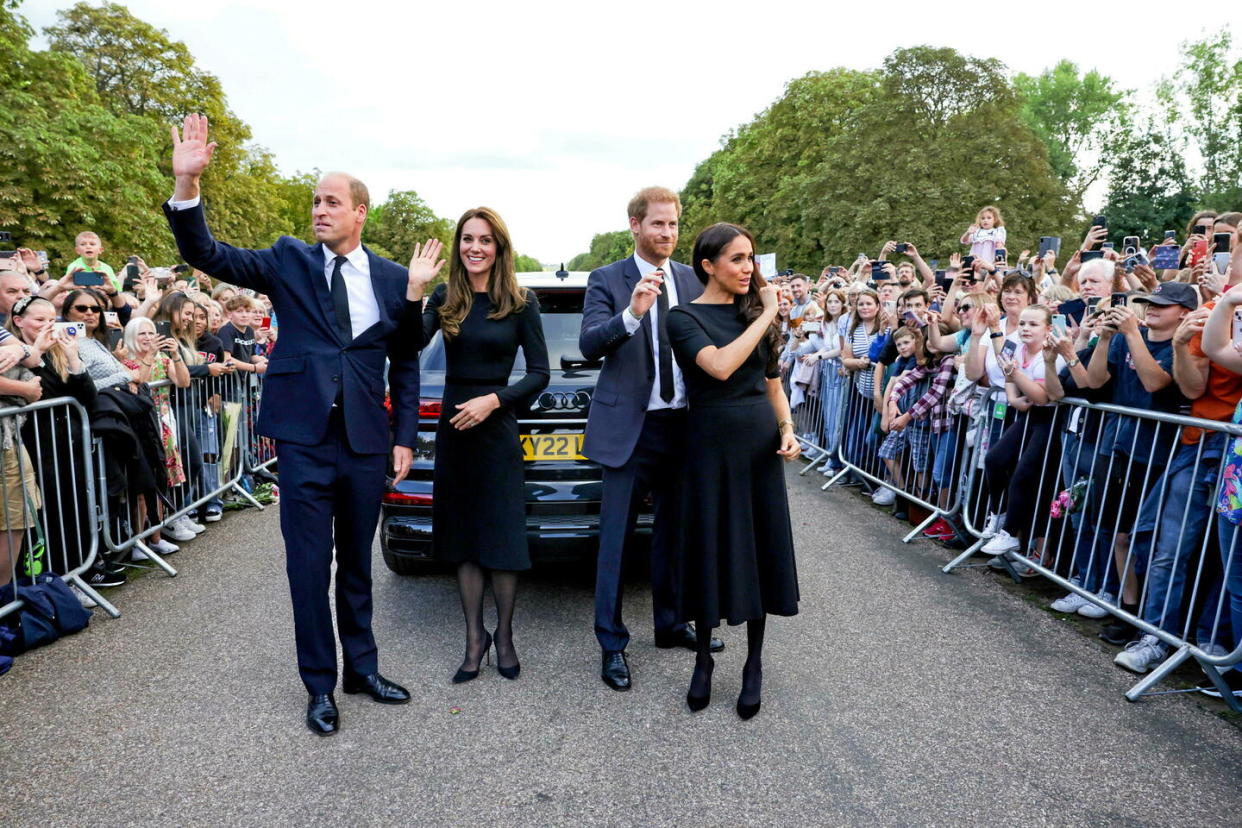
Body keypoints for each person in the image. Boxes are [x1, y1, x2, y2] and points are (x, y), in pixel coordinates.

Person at [162, 113, 425, 736]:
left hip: (366, 442)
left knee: (358, 564)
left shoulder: (392, 279)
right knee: (308, 567)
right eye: (314, 201)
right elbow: (207, 253)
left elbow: (407, 364)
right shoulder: (287, 261)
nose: (318, 210)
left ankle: (363, 668)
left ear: (360, 211)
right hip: (304, 440)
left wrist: (405, 438)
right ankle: (319, 685)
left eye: (331, 202)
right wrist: (187, 188)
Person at [579, 186, 723, 693]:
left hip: (682, 426)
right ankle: (612, 644)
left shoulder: (692, 278)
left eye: (674, 225)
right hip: (629, 430)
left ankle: (669, 623)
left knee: (676, 535)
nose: (668, 233)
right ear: (635, 225)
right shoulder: (606, 279)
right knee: (616, 540)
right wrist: (633, 313)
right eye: (658, 224)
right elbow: (589, 343)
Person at [666, 222, 799, 720]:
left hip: (758, 446)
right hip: (707, 448)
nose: (749, 268)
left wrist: (786, 428)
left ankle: (754, 665)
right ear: (708, 265)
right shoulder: (683, 317)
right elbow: (719, 367)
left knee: (759, 550)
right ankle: (703, 660)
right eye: (738, 259)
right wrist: (766, 316)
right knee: (710, 548)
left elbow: (772, 386)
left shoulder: (753, 314)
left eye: (751, 258)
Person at [411, 207, 549, 683]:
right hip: (455, 431)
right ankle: (474, 638)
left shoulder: (521, 301)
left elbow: (539, 373)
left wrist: (494, 400)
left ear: (499, 247)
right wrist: (416, 290)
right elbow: (408, 344)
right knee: (465, 538)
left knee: (502, 538)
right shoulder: (447, 297)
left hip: (496, 429)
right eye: (467, 239)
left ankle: (505, 636)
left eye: (485, 240)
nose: (475, 247)